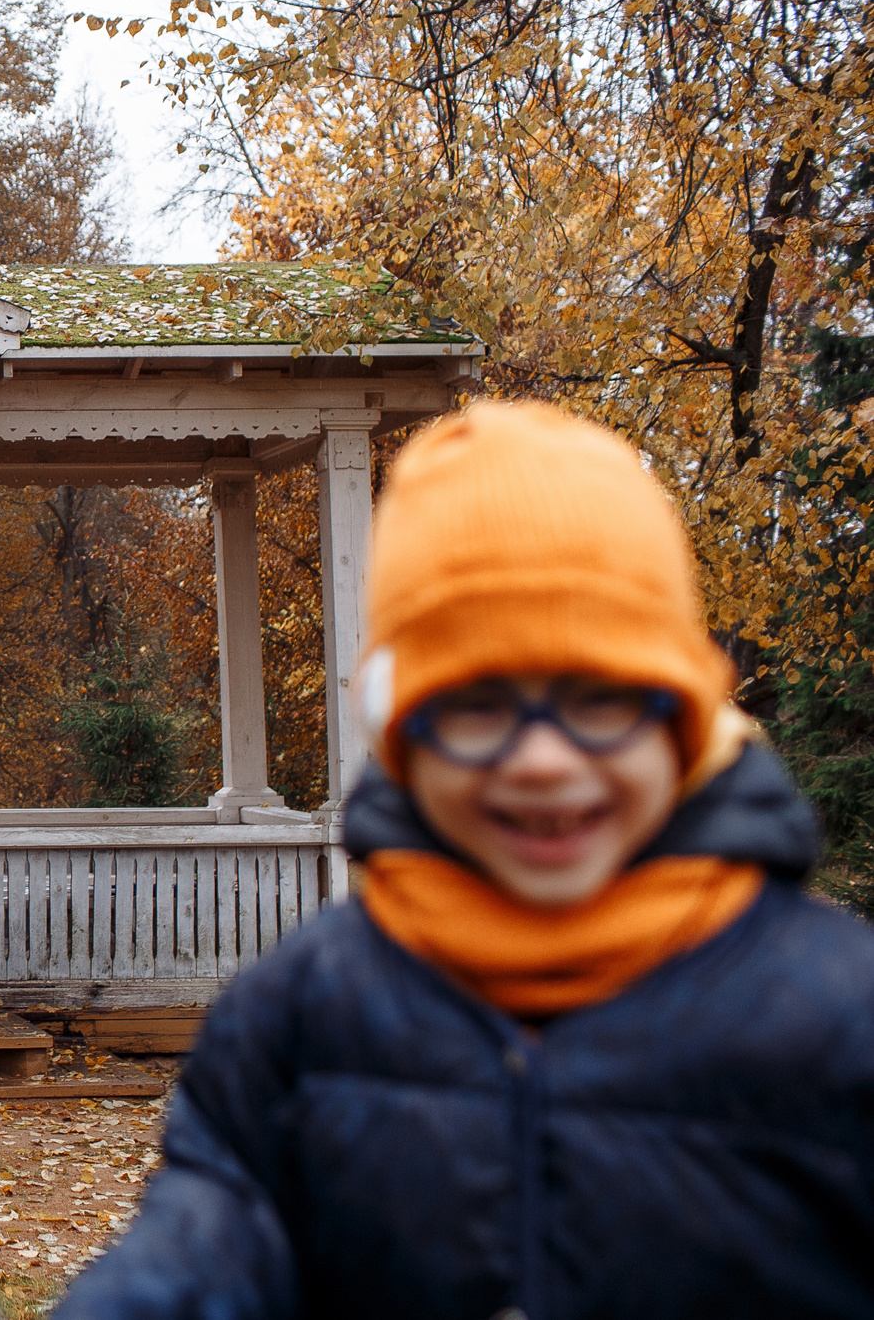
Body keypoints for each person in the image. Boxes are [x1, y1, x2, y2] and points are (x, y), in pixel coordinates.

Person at [58, 400, 874, 1319]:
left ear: (682, 713)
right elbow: (197, 1257)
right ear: (402, 732)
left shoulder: (840, 1016)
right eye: (479, 705)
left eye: (599, 697)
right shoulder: (301, 1020)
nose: (542, 759)